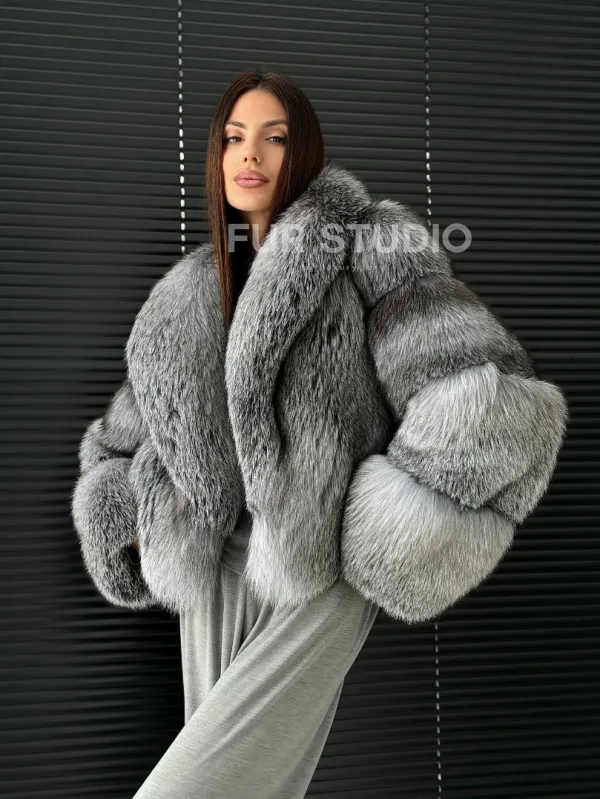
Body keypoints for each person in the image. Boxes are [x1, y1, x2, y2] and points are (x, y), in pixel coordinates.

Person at [70, 70, 569, 798]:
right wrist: (133, 517)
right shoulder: (187, 292)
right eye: (234, 138)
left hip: (316, 574)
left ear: (300, 151)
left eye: (274, 138)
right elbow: (130, 431)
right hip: (214, 569)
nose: (250, 154)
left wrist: (387, 528)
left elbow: (479, 394)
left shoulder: (370, 244)